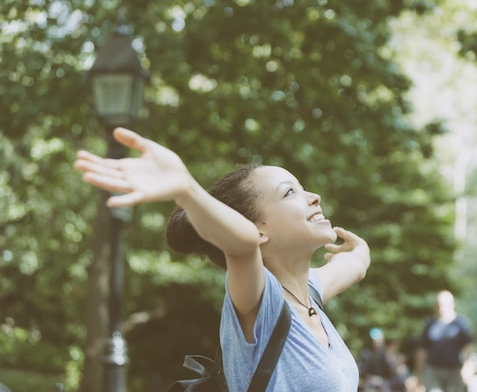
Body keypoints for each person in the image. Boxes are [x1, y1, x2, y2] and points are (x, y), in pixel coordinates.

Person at [74, 127, 371, 391]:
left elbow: (356, 264)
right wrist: (186, 190)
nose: (314, 196)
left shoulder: (309, 292)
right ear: (259, 230)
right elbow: (242, 246)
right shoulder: (262, 300)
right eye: (290, 192)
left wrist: (358, 250)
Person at [415, 290, 473, 392]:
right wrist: (418, 372)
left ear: (452, 304)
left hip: (454, 370)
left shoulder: (461, 323)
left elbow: (467, 348)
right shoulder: (429, 324)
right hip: (433, 370)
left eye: (444, 305)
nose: (441, 308)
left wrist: (467, 368)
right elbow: (422, 350)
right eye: (439, 304)